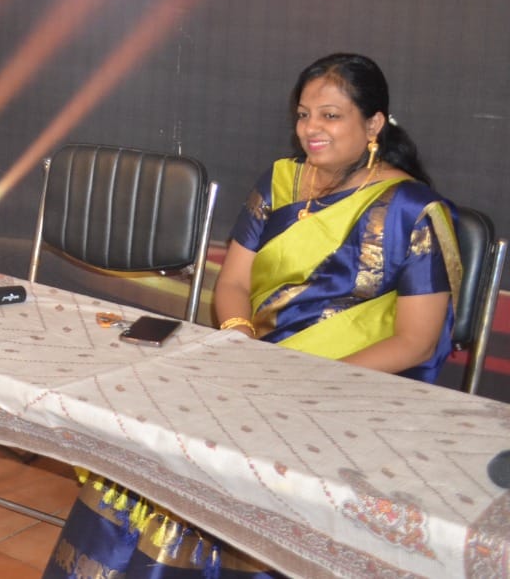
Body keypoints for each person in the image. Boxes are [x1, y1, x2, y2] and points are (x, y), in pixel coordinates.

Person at [46, 52, 462, 578]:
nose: (311, 129)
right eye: (304, 114)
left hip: (352, 388)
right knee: (162, 434)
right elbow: (235, 282)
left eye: (331, 115)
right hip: (257, 365)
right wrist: (240, 341)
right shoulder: (280, 182)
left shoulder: (411, 209)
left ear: (374, 123)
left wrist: (308, 382)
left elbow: (417, 341)